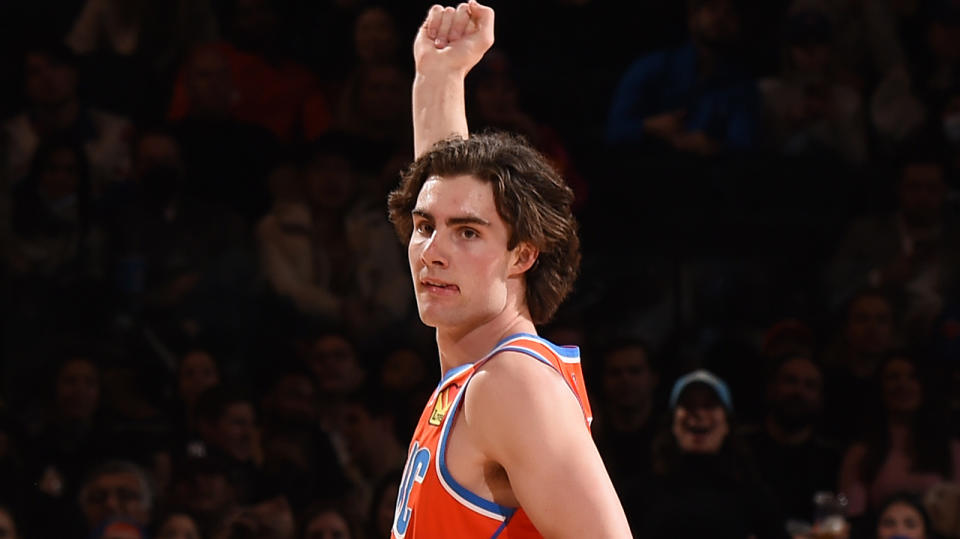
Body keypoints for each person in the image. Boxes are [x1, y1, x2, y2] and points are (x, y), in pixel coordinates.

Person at [384, 2, 631, 537]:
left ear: (523, 255)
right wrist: (439, 76)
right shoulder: (475, 371)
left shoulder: (512, 384)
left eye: (468, 233)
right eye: (425, 227)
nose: (432, 251)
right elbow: (445, 185)